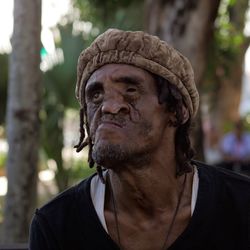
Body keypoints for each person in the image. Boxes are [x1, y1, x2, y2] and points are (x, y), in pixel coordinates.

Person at [29, 29, 250, 250]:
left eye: (131, 90)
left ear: (177, 110)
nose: (108, 106)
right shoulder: (57, 226)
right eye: (95, 95)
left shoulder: (241, 206)